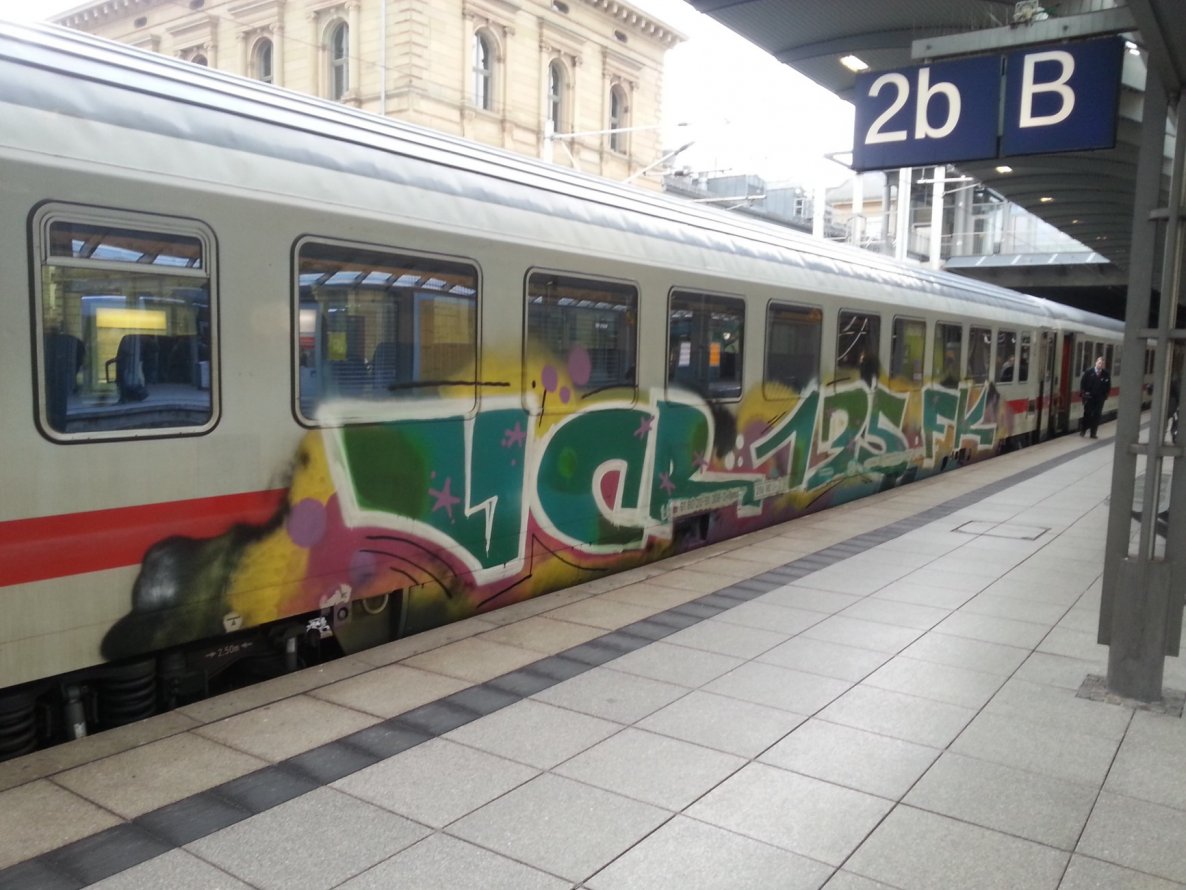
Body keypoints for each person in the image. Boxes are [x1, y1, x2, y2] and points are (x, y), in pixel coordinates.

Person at [1079, 356, 1110, 438]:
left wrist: (1105, 395)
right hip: (1089, 397)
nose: (1101, 365)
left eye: (1102, 364)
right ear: (1096, 363)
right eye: (1099, 363)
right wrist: (1083, 394)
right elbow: (1083, 383)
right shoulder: (1088, 372)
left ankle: (1093, 433)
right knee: (1087, 414)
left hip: (1100, 398)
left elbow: (1108, 385)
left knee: (1097, 415)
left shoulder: (1106, 374)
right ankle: (1083, 430)